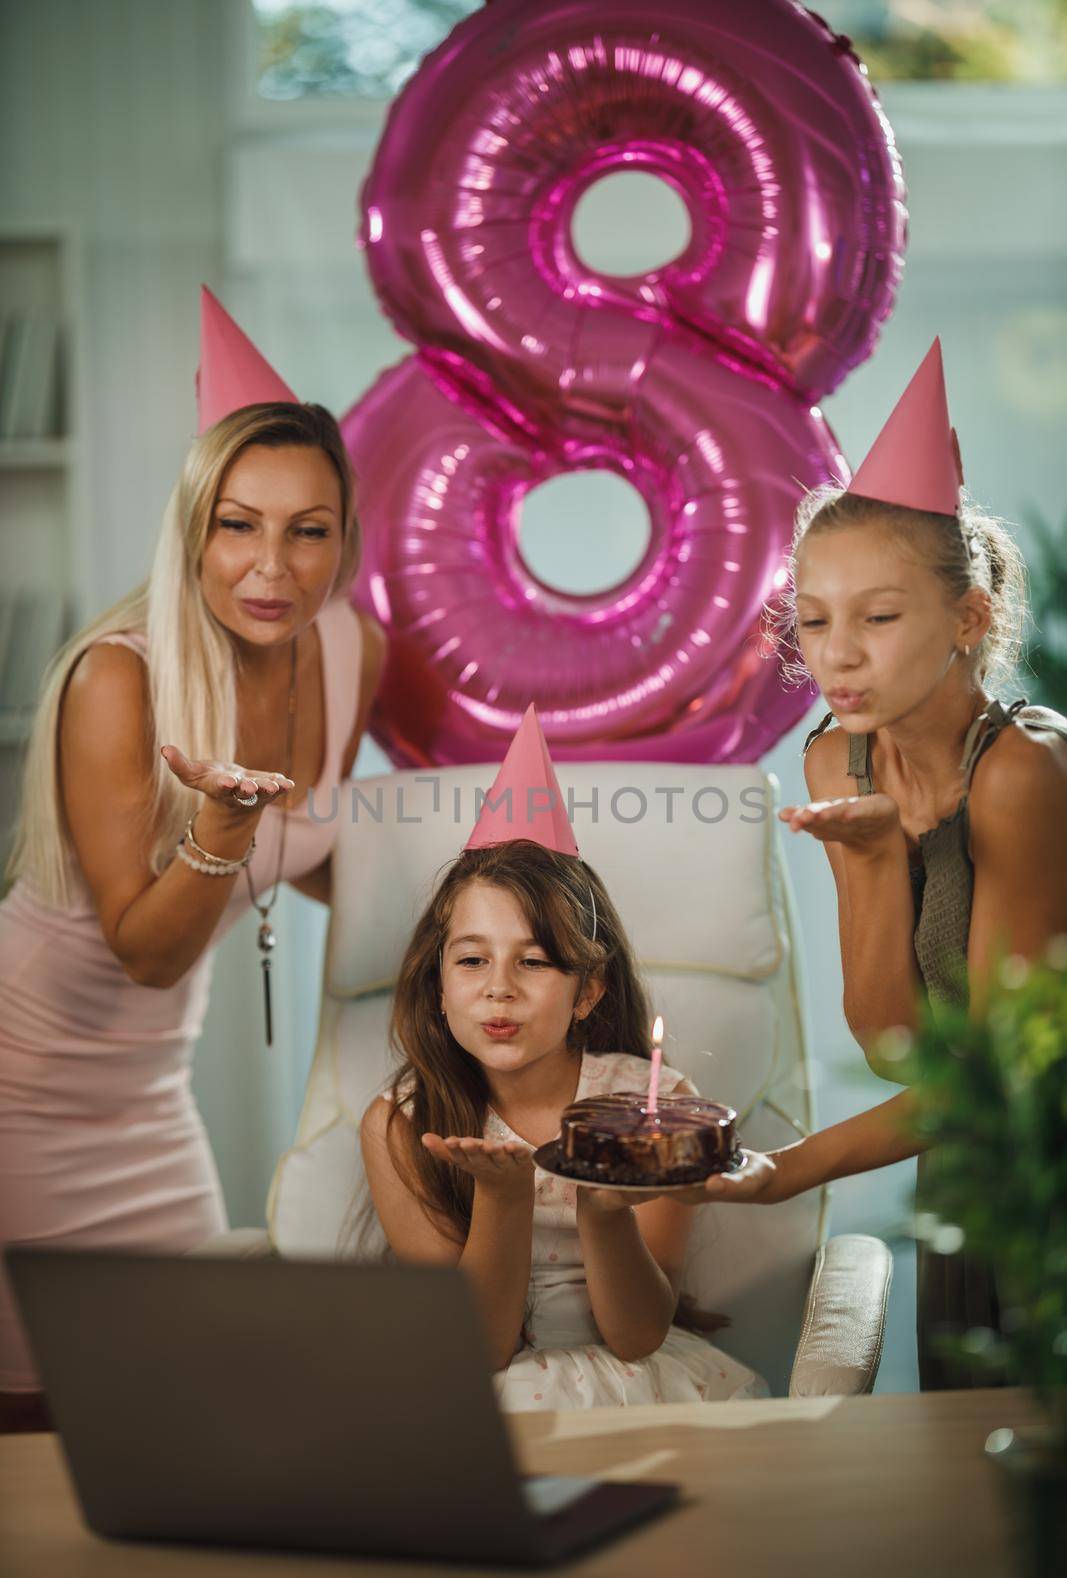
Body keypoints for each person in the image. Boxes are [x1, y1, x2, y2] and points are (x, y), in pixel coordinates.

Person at [0, 290, 386, 1428]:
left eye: (306, 530)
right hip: (23, 1084)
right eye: (238, 524)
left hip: (148, 1094)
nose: (271, 567)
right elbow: (147, 951)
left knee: (167, 1405)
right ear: (192, 533)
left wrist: (463, 882)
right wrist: (218, 832)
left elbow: (307, 857)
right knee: (33, 1430)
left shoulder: (351, 649)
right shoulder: (117, 678)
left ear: (341, 539)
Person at [692, 340, 1067, 1389]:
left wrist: (786, 1175)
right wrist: (868, 864)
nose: (836, 654)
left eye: (877, 617)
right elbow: (906, 1053)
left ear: (968, 618)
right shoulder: (834, 753)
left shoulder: (1020, 775)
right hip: (978, 1166)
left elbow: (987, 1082)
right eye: (812, 621)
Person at [359, 707, 763, 1410]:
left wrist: (603, 1213)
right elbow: (479, 1347)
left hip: (640, 1381)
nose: (499, 988)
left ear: (587, 992)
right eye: (472, 959)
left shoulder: (652, 1107)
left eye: (535, 961)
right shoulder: (402, 1123)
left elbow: (638, 1336)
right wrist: (503, 1196)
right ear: (438, 984)